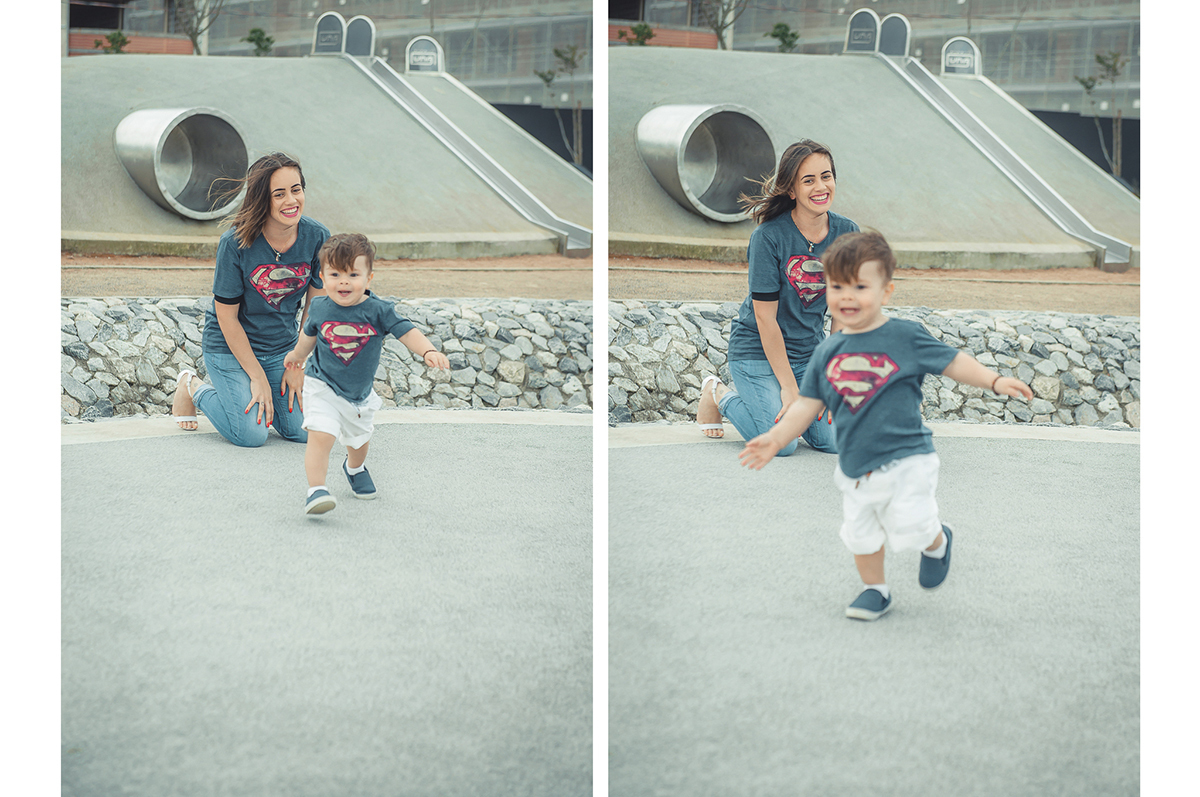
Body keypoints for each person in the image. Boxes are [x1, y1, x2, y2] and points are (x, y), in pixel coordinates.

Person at [738, 231, 1033, 621]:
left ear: (886, 291)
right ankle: (875, 590)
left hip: (908, 459)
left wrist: (994, 380)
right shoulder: (828, 351)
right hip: (857, 466)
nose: (847, 296)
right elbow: (807, 404)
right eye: (837, 286)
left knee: (912, 522)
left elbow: (952, 362)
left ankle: (937, 540)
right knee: (861, 535)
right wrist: (776, 439)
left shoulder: (904, 336)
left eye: (860, 286)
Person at [696, 140, 857, 457]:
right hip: (757, 349)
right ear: (792, 190)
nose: (820, 187)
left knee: (832, 440)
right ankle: (717, 393)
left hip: (808, 353)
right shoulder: (768, 237)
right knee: (782, 445)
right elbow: (764, 318)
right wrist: (789, 388)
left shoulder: (847, 233)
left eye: (826, 176)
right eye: (808, 180)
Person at [284, 233, 450, 516]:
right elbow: (308, 337)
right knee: (320, 435)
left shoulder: (379, 311)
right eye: (335, 274)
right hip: (322, 385)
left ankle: (354, 467)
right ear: (323, 277)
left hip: (359, 397)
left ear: (369, 278)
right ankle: (316, 490)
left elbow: (407, 331)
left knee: (358, 442)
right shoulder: (321, 307)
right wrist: (296, 357)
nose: (344, 282)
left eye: (353, 274)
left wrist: (427, 351)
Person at [171, 152, 329, 447]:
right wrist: (256, 375)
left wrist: (298, 363)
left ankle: (260, 390)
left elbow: (316, 307)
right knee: (250, 434)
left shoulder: (317, 237)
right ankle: (192, 387)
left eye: (296, 190)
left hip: (281, 348)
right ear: (262, 200)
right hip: (229, 348)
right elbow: (226, 317)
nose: (291, 201)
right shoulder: (235, 243)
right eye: (278, 194)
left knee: (303, 430)